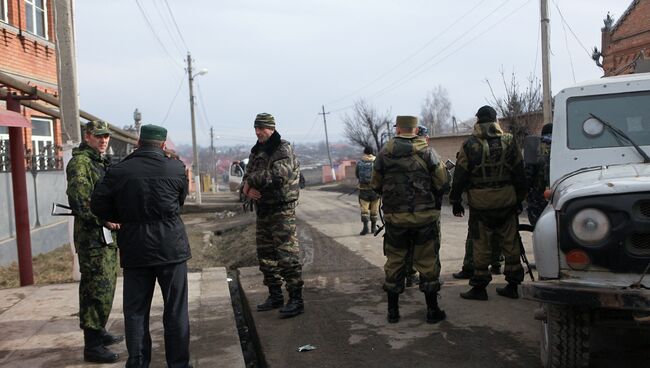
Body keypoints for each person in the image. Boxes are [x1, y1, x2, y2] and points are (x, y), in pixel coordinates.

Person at [91, 124, 192, 368]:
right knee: (176, 310)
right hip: (171, 248)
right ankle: (178, 364)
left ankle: (137, 363)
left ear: (138, 142)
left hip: (135, 247)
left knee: (135, 311)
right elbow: (179, 202)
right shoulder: (176, 168)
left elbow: (98, 204)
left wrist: (123, 215)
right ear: (163, 144)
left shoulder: (119, 170)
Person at [371, 115, 449, 324]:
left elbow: (376, 185)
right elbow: (442, 183)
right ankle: (432, 311)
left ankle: (393, 312)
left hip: (396, 220)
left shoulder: (384, 153)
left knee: (395, 261)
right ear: (415, 130)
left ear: (398, 130)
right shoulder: (428, 152)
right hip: (425, 218)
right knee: (427, 262)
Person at [449, 105, 527, 300]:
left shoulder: (470, 144)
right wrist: (519, 199)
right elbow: (520, 173)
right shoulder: (510, 141)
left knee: (481, 244)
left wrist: (455, 200)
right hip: (507, 201)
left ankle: (479, 288)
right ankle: (513, 285)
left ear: (478, 121)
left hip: (480, 204)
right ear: (495, 120)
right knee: (510, 242)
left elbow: (459, 176)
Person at [65, 120, 123, 364]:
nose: (103, 140)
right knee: (94, 290)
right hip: (93, 238)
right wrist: (104, 220)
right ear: (87, 136)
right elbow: (79, 201)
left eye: (106, 136)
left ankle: (99, 331)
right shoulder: (80, 163)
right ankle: (92, 345)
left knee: (106, 287)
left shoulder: (99, 161)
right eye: (98, 136)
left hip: (105, 236)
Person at [242, 113, 304, 318]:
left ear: (271, 128)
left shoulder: (282, 148)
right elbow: (246, 178)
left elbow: (278, 176)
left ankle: (296, 299)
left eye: (262, 128)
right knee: (266, 256)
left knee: (287, 255)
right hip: (264, 209)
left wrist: (251, 181)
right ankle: (275, 295)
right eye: (256, 129)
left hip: (281, 210)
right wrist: (246, 188)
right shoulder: (257, 151)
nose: (258, 132)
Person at [526, 123, 552, 226]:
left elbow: (528, 174)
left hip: (538, 197)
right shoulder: (563, 145)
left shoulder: (535, 147)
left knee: (538, 226)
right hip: (560, 194)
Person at [355, 146, 380, 235]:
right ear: (372, 152)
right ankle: (373, 228)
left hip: (363, 189)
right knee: (374, 208)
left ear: (364, 152)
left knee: (364, 209)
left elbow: (357, 175)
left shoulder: (360, 162)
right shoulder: (377, 161)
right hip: (375, 189)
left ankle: (365, 227)